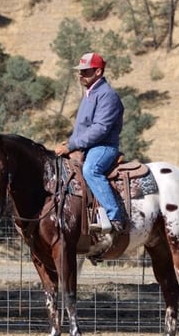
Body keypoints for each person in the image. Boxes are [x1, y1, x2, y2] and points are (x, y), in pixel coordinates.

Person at [54, 52, 126, 233]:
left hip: (103, 146)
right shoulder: (90, 94)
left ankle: (114, 217)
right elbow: (83, 128)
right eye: (80, 71)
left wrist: (71, 145)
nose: (80, 74)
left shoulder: (107, 95)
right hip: (88, 145)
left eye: (85, 71)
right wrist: (71, 142)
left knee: (90, 170)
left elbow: (100, 129)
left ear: (98, 72)